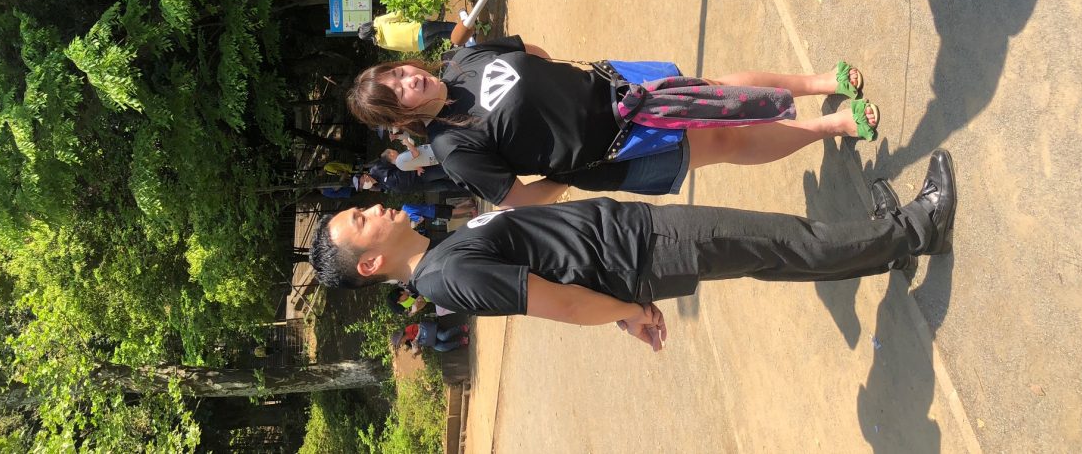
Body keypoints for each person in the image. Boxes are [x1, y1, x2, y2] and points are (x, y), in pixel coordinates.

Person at [310, 149, 956, 350]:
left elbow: (551, 258)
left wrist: (621, 309)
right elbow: (560, 305)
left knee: (771, 252)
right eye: (361, 219)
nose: (375, 207)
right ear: (369, 263)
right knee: (780, 240)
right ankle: (916, 229)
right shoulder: (447, 278)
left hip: (634, 244)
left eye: (361, 207)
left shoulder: (444, 255)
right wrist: (628, 310)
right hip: (645, 250)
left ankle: (880, 246)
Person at [346, 36, 880, 207]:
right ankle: (830, 128)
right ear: (401, 117)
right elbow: (517, 198)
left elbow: (533, 52)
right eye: (397, 92)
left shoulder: (463, 59)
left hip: (617, 84)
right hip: (620, 149)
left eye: (399, 71)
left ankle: (820, 83)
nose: (408, 80)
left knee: (715, 89)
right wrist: (569, 171)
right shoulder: (453, 147)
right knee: (722, 142)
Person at [360, 10, 456, 53]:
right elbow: (398, 14)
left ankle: (462, 38)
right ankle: (464, 28)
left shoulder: (380, 44)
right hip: (417, 30)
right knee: (443, 26)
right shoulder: (378, 22)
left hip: (420, 45)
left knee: (439, 33)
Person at [393, 320, 470, 353]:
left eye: (400, 343)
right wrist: (416, 349)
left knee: (443, 337)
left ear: (400, 338)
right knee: (442, 348)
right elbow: (420, 347)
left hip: (431, 331)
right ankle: (461, 342)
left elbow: (420, 326)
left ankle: (462, 328)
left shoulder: (408, 330)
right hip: (430, 341)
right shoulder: (408, 342)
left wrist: (416, 338)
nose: (401, 344)